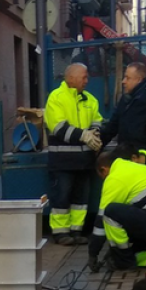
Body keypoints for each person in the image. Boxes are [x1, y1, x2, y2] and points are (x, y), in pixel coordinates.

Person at [44, 63, 103, 245]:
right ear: (71, 78)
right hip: (62, 162)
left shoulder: (90, 100)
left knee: (80, 199)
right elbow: (59, 128)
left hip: (84, 161)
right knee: (61, 197)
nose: (87, 80)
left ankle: (76, 231)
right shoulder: (56, 98)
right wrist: (85, 135)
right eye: (84, 77)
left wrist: (95, 133)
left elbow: (98, 121)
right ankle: (60, 233)